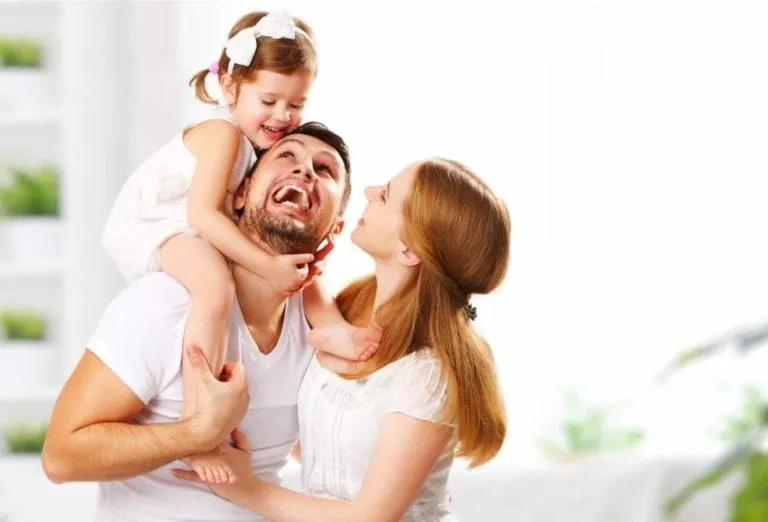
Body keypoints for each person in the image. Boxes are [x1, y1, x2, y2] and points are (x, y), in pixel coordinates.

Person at [100, 10, 375, 483]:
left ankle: (328, 324)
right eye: (269, 100)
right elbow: (203, 215)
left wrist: (280, 268)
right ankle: (200, 423)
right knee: (214, 288)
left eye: (296, 104)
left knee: (292, 257)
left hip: (199, 222)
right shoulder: (223, 133)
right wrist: (267, 266)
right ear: (230, 87)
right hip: (156, 222)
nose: (283, 116)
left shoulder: (258, 146)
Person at [42, 123, 359, 522]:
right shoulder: (166, 302)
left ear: (335, 228)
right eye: (286, 156)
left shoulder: (319, 328)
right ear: (240, 194)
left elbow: (313, 448)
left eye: (324, 169)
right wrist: (195, 434)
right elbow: (61, 456)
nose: (305, 170)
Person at [173, 158, 511, 521]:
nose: (369, 192)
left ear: (409, 251)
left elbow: (369, 517)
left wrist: (244, 487)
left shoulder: (426, 375)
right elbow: (331, 443)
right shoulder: (344, 314)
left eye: (385, 195)